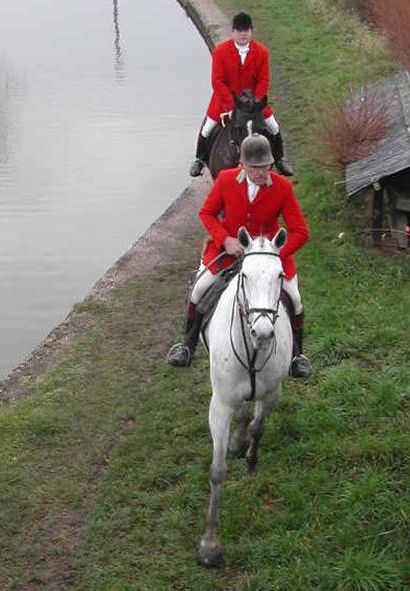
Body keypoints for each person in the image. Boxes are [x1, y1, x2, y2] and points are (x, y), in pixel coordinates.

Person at [168, 133, 311, 378]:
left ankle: (297, 357)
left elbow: (301, 232)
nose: (261, 173)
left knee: (295, 300)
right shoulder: (224, 180)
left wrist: (274, 254)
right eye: (255, 168)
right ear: (242, 164)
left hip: (270, 258)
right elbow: (207, 214)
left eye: (266, 166)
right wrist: (225, 239)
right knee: (200, 289)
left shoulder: (283, 188)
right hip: (228, 252)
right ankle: (187, 345)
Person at [189, 11, 294, 178]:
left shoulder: (262, 52)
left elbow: (264, 80)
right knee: (207, 129)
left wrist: (257, 101)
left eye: (246, 31)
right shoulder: (220, 52)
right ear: (233, 32)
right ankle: (199, 160)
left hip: (254, 103)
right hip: (225, 101)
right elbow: (217, 81)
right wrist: (231, 105)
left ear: (251, 32)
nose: (243, 34)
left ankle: (280, 159)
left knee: (274, 127)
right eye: (239, 31)